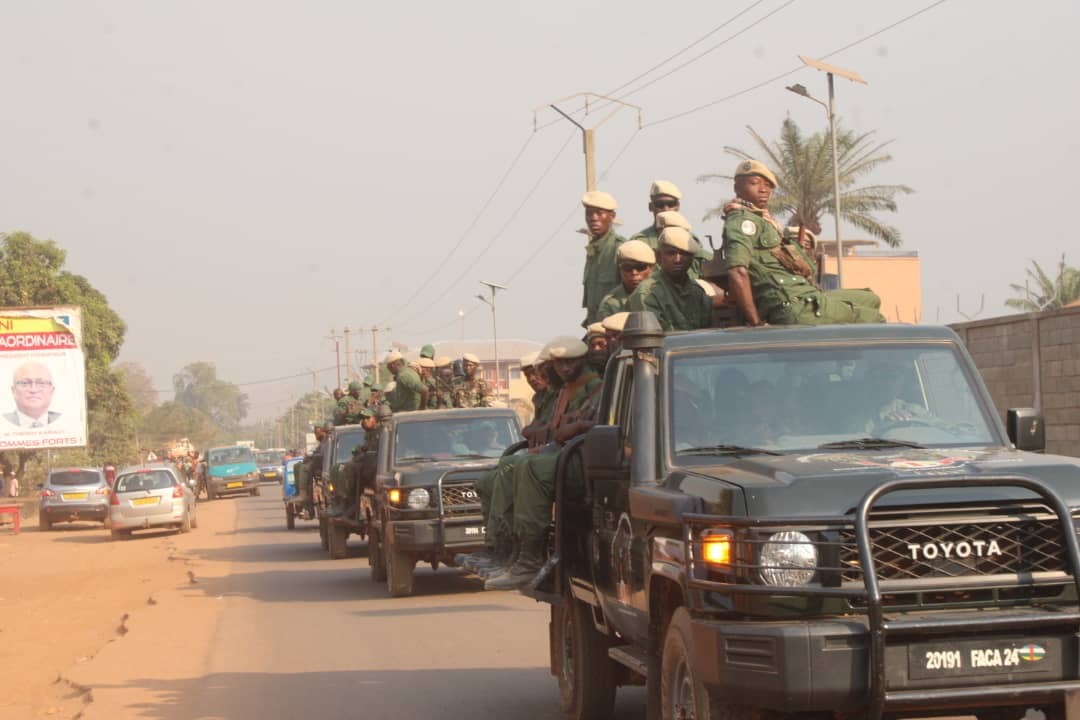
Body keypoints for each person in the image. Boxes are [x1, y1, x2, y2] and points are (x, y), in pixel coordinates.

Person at [485, 337, 602, 590]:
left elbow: (601, 425)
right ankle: (507, 550)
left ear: (583, 361)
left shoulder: (595, 387)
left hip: (585, 459)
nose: (564, 369)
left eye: (570, 363)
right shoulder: (565, 389)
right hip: (565, 453)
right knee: (505, 467)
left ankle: (529, 558)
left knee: (528, 467)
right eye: (560, 363)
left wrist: (577, 426)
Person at [722, 159, 886, 326]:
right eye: (754, 183)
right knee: (872, 317)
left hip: (805, 295)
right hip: (793, 303)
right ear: (737, 188)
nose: (764, 190)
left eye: (768, 186)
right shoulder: (742, 221)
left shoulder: (763, 220)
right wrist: (756, 322)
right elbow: (737, 272)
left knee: (872, 299)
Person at [628, 227, 712, 332]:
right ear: (658, 257)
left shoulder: (698, 292)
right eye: (671, 253)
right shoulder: (647, 293)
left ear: (692, 259)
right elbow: (650, 337)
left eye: (684, 254)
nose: (678, 260)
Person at [628, 180, 712, 279]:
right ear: (651, 207)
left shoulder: (691, 239)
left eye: (671, 204)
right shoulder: (640, 242)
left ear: (678, 206)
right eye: (660, 204)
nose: (666, 209)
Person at [580, 190, 626, 327]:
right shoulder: (592, 251)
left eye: (599, 213)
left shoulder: (620, 249)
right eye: (589, 213)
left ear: (612, 216)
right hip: (596, 329)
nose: (593, 218)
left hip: (615, 330)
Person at [596, 240, 655, 321]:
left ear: (651, 268)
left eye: (640, 267)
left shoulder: (663, 293)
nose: (634, 273)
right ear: (620, 269)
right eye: (627, 267)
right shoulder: (610, 303)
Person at [4, 362, 61, 427]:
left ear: (52, 391)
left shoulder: (67, 422)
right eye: (24, 383)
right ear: (13, 390)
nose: (33, 390)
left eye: (42, 383)